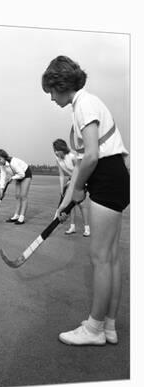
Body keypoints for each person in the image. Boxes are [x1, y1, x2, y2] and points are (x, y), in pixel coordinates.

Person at [43, 55, 130, 346]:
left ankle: (93, 330)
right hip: (111, 175)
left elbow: (91, 155)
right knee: (111, 258)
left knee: (100, 258)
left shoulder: (84, 104)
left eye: (51, 91)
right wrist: (66, 203)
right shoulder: (83, 106)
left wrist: (78, 189)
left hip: (106, 175)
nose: (51, 98)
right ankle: (108, 326)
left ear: (60, 84)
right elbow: (80, 166)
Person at [52, 138, 90, 236]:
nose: (55, 152)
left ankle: (87, 228)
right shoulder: (57, 159)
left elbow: (80, 171)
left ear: (62, 148)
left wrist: (74, 183)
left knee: (81, 204)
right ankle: (72, 227)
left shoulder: (72, 157)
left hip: (81, 179)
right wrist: (61, 189)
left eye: (57, 150)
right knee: (71, 205)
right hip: (70, 180)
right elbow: (61, 175)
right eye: (54, 150)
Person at [0, 149, 32, 225]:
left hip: (25, 174)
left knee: (23, 195)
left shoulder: (13, 162)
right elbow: (2, 176)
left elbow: (22, 174)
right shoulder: (2, 165)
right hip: (17, 175)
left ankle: (21, 217)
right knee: (17, 196)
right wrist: (2, 189)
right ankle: (16, 215)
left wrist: (12, 178)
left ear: (4, 157)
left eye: (0, 159)